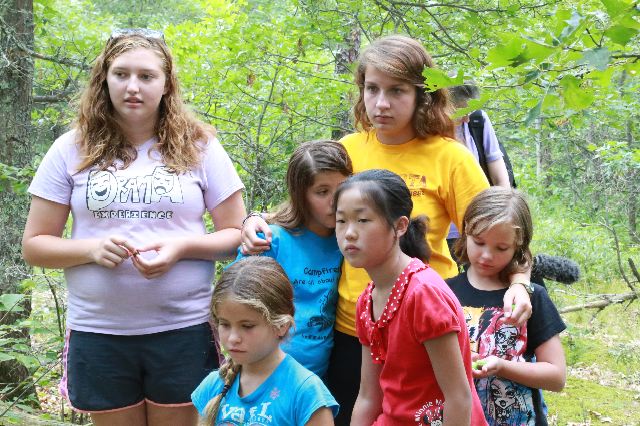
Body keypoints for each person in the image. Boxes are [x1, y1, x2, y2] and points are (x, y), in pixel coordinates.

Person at [241, 34, 532, 424]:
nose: (381, 103)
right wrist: (254, 219)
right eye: (372, 88)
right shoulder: (348, 150)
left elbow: (499, 232)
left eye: (397, 91)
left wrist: (519, 283)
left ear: (422, 95)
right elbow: (310, 211)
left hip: (426, 327)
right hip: (352, 326)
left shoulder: (451, 158)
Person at [21, 29, 246, 426]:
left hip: (183, 328)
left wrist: (181, 248)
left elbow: (236, 235)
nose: (133, 87)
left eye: (146, 76)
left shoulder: (200, 147)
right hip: (98, 332)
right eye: (121, 74)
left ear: (167, 84)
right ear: (104, 79)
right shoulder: (70, 148)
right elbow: (35, 245)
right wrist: (91, 250)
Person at [334, 169, 486, 425]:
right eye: (341, 221)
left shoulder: (423, 294)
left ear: (400, 226)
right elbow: (369, 397)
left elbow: (458, 397)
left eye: (363, 220)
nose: (349, 232)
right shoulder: (367, 300)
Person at [447, 187, 566, 425]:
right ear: (465, 231)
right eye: (478, 242)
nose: (486, 255)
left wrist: (502, 366)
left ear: (518, 247)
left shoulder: (531, 297)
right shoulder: (444, 292)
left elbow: (556, 377)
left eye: (501, 248)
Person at [234, 140, 351, 379]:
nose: (335, 201)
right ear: (301, 195)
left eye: (342, 189)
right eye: (322, 192)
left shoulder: (347, 239)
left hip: (320, 376)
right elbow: (235, 302)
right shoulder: (270, 241)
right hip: (265, 371)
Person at [191, 256, 339, 425]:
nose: (233, 338)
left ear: (281, 326)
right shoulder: (212, 386)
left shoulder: (306, 393)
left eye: (247, 326)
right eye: (224, 324)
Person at [446, 83, 511, 261]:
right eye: (461, 111)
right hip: (442, 231)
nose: (467, 118)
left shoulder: (477, 122)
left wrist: (504, 213)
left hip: (479, 225)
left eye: (470, 111)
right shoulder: (425, 128)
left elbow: (499, 174)